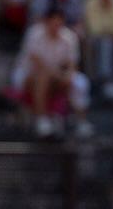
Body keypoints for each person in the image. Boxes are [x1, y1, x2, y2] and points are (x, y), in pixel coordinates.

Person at [11, 9, 93, 138]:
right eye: (53, 24)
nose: (56, 28)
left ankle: (80, 121)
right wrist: (60, 76)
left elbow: (72, 64)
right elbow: (38, 64)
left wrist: (68, 76)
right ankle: (42, 119)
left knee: (80, 82)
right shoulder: (34, 33)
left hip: (56, 76)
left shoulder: (69, 37)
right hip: (27, 75)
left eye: (59, 24)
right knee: (43, 77)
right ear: (46, 22)